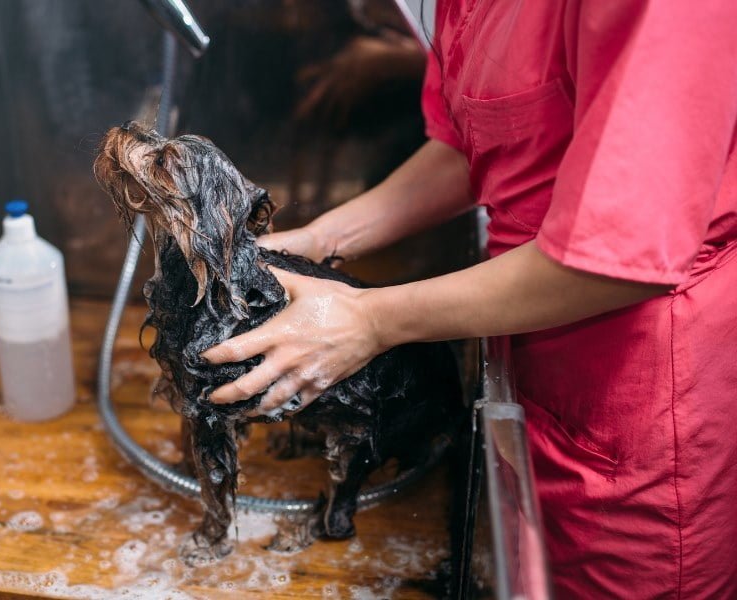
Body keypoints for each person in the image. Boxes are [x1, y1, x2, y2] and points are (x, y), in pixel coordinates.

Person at [202, 1, 737, 597]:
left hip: (636, 405)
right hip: (524, 360)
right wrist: (325, 238)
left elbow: (619, 260)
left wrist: (371, 320)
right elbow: (480, 144)